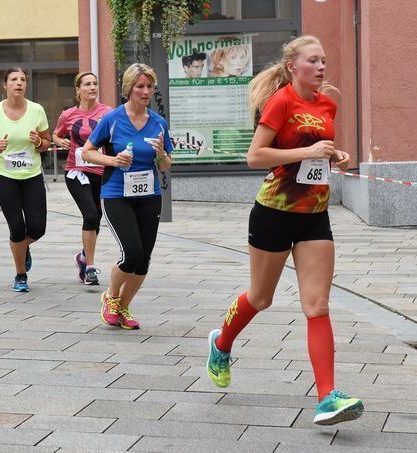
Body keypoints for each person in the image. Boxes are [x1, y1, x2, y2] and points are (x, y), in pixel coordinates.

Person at [202, 36, 361, 426]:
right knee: (261, 298)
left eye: (324, 61)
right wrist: (307, 152)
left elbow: (317, 153)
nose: (322, 67)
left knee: (317, 305)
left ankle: (327, 398)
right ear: (293, 66)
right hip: (273, 212)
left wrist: (335, 156)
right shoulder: (281, 102)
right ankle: (221, 343)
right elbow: (255, 156)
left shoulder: (327, 104)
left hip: (314, 214)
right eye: (313, 61)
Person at [81, 63, 172, 330]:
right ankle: (111, 296)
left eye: (149, 86)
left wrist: (161, 155)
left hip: (149, 195)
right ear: (129, 89)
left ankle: (124, 306)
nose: (145, 91)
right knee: (131, 253)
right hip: (116, 194)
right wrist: (113, 160)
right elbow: (87, 152)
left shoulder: (158, 123)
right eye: (140, 86)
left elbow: (166, 165)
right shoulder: (112, 119)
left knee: (143, 260)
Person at [0, 67, 51, 292]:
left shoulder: (37, 110)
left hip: (31, 175)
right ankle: (21, 275)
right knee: (17, 227)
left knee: (37, 228)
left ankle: (21, 247)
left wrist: (38, 142)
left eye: (22, 79)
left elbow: (46, 143)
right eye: (13, 79)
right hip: (4, 176)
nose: (19, 83)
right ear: (5, 85)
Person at [53, 72, 113, 285]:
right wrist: (60, 141)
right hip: (76, 171)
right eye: (87, 84)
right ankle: (90, 267)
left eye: (95, 83)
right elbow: (56, 134)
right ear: (78, 90)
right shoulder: (68, 115)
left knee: (97, 217)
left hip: (101, 172)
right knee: (90, 215)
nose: (92, 87)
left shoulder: (107, 113)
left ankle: (82, 256)